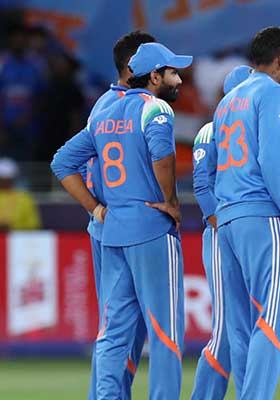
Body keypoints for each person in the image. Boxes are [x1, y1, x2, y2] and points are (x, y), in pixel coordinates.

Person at [51, 42, 192, 399]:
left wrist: (96, 209)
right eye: (173, 72)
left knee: (113, 333)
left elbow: (62, 163)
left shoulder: (102, 114)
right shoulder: (155, 108)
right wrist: (172, 203)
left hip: (112, 232)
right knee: (165, 331)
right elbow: (162, 153)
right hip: (150, 229)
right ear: (155, 76)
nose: (179, 78)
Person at [210, 26, 280, 400]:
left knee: (240, 326)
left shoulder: (228, 101)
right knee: (270, 320)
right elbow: (274, 166)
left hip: (228, 220)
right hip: (263, 217)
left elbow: (213, 167)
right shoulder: (273, 94)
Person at [78, 31, 155, 400]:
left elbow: (75, 163)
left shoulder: (103, 105)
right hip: (120, 225)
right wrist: (97, 207)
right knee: (119, 327)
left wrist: (96, 209)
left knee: (120, 327)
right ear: (134, 67)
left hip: (107, 224)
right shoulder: (132, 106)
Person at [190, 64, 252, 400]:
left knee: (242, 328)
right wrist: (225, 226)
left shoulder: (257, 126)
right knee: (229, 329)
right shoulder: (210, 131)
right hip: (223, 233)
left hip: (248, 232)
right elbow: (202, 186)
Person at [0, 157, 40, 231]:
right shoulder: (24, 197)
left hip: (18, 239)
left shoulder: (24, 197)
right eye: (2, 179)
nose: (4, 182)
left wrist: (12, 227)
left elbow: (33, 224)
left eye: (7, 179)